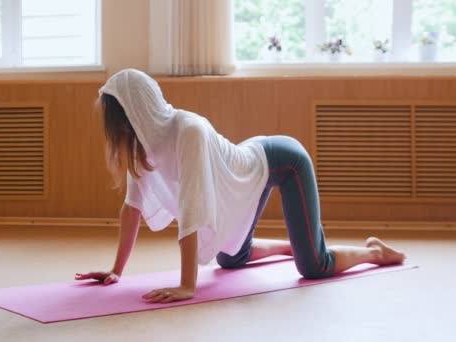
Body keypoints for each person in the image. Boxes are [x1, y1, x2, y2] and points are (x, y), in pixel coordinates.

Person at [75, 69, 406, 304]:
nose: (111, 130)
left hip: (283, 161)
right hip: (244, 166)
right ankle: (296, 244)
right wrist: (115, 270)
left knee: (314, 267)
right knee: (232, 258)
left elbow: (192, 210)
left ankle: (375, 251)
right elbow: (131, 208)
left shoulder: (187, 130)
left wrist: (187, 285)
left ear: (134, 113)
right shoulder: (143, 144)